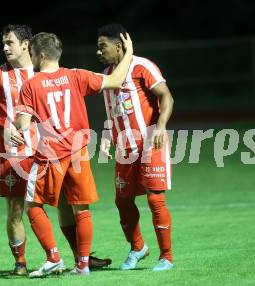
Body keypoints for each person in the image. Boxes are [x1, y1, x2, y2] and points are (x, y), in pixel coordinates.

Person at [0, 25, 110, 275]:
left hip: (50, 151)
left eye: (10, 43)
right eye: (3, 43)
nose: (5, 48)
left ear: (27, 45)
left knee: (64, 204)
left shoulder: (45, 70)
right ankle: (20, 263)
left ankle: (79, 258)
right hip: (14, 153)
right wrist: (1, 128)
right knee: (17, 208)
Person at [16, 31, 133, 277]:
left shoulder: (31, 84)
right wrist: (129, 51)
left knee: (33, 206)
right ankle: (82, 265)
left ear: (42, 55)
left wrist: (16, 125)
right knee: (82, 209)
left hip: (50, 155)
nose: (31, 59)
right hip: (78, 152)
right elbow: (115, 80)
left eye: (32, 54)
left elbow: (23, 123)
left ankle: (54, 258)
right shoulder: (76, 75)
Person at [96, 23, 175, 271]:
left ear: (118, 46)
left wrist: (161, 125)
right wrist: (108, 135)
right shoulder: (109, 76)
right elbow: (113, 110)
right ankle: (138, 247)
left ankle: (166, 257)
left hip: (151, 142)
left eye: (102, 47)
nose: (98, 52)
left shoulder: (142, 66)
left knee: (155, 199)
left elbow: (166, 95)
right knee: (123, 201)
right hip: (125, 148)